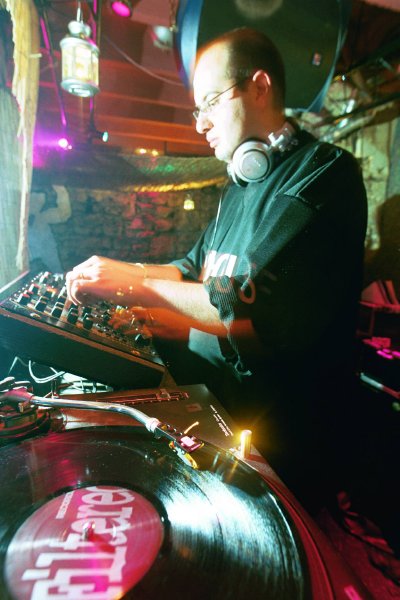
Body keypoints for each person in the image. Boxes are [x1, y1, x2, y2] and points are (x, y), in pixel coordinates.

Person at [66, 28, 368, 513]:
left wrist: (134, 285)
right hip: (218, 417)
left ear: (259, 87)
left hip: (282, 452)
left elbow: (246, 301)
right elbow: (189, 269)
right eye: (196, 110)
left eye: (209, 102)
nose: (201, 124)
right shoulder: (236, 191)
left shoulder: (323, 173)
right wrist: (116, 271)